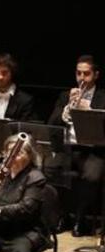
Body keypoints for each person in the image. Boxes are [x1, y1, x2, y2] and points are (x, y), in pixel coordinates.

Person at [47, 55, 104, 235]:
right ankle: (60, 216)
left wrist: (90, 112)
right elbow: (52, 123)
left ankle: (80, 218)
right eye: (78, 73)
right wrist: (67, 109)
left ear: (95, 75)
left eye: (86, 74)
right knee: (49, 169)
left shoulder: (103, 97)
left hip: (94, 150)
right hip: (68, 148)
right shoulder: (65, 96)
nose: (81, 78)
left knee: (92, 176)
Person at [0, 133, 47, 252]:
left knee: (21, 251)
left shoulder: (35, 177)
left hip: (23, 230)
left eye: (18, 152)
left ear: (30, 156)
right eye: (9, 152)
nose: (12, 156)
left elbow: (27, 208)